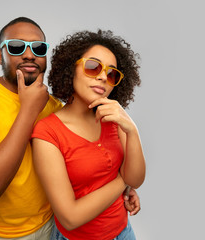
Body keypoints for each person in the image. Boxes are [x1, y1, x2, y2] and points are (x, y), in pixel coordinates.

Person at [0, 17, 141, 240]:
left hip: (54, 226)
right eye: (17, 46)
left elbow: (80, 167)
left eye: (38, 48)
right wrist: (28, 110)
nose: (29, 54)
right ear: (0, 55)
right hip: (3, 235)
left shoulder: (55, 108)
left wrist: (122, 191)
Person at [32, 29, 146, 240]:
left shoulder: (114, 118)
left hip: (124, 232)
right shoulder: (47, 132)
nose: (103, 76)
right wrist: (123, 181)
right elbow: (70, 217)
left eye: (111, 74)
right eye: (93, 67)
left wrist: (132, 129)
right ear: (70, 69)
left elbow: (136, 179)